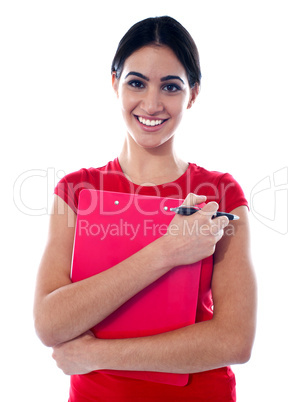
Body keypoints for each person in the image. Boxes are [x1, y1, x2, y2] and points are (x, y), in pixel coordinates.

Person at [34, 16, 257, 401]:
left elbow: (235, 339)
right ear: (115, 84)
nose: (151, 104)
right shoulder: (76, 190)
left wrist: (95, 354)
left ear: (193, 94)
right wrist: (166, 252)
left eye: (170, 86)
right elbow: (50, 325)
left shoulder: (220, 193)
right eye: (136, 83)